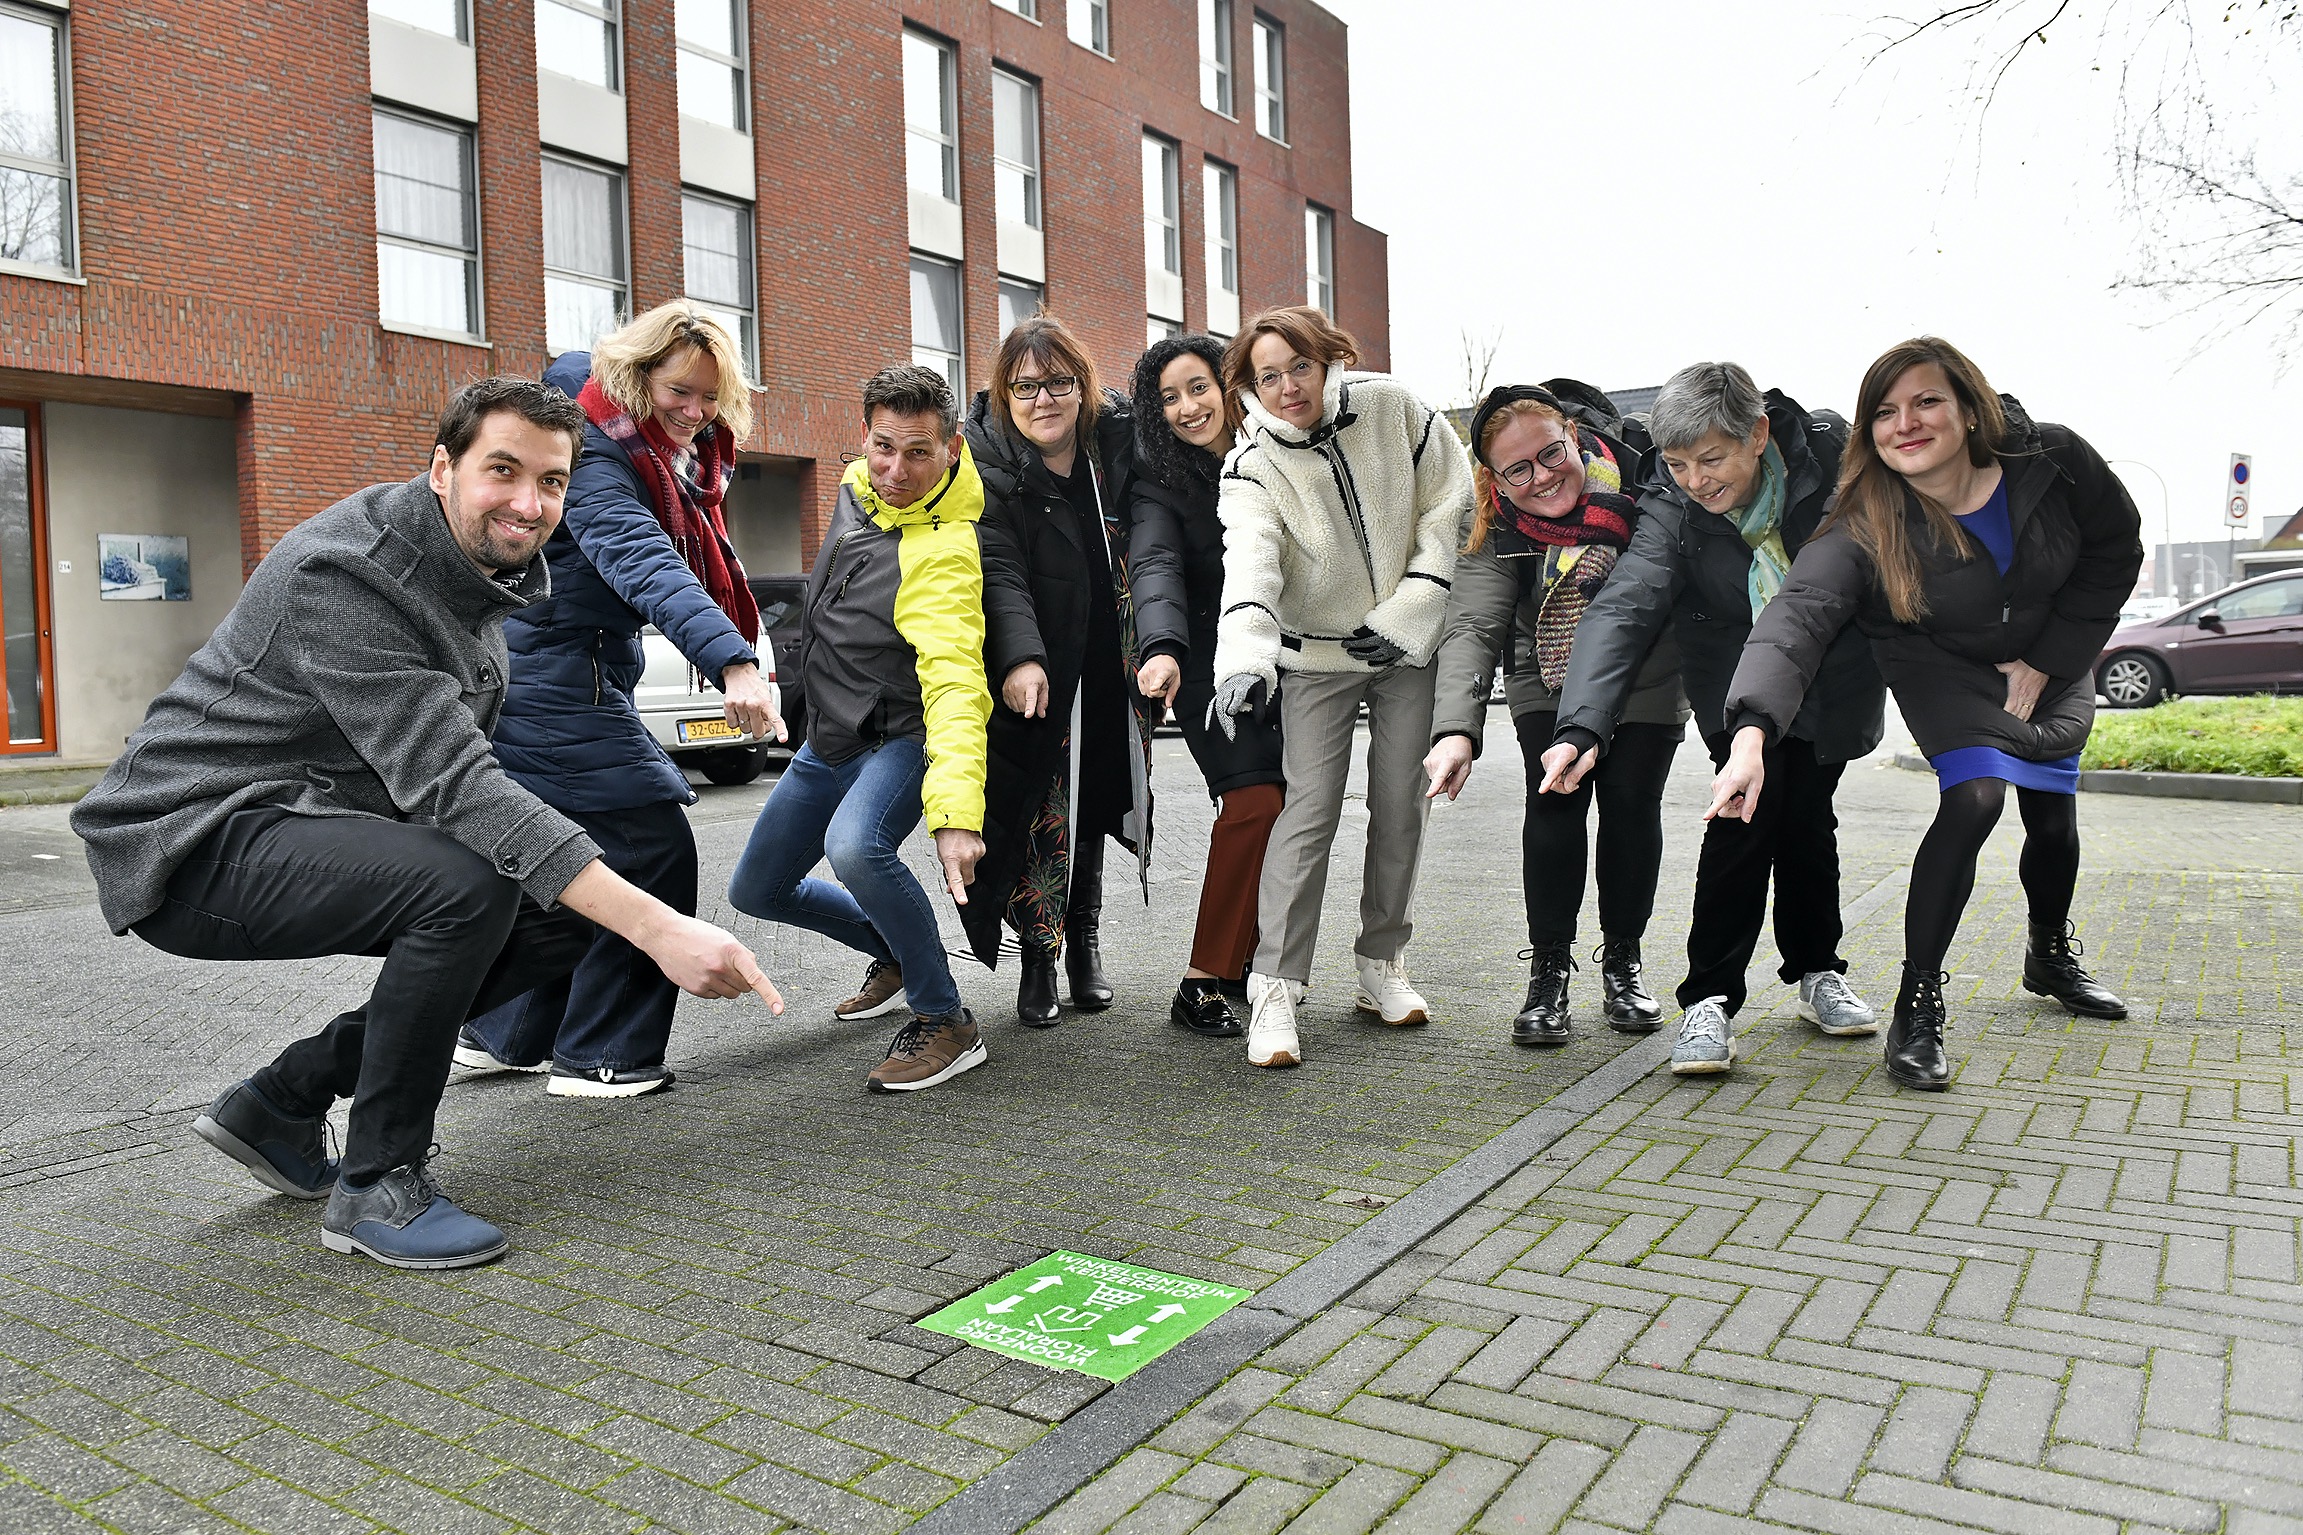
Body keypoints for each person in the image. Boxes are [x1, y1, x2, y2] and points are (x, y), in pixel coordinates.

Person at [70, 378, 782, 1269]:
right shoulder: (350, 573)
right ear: (443, 466)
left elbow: (466, 772)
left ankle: (284, 1098)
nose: (530, 503)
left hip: (294, 818)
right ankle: (376, 1183)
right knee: (465, 885)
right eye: (503, 471)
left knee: (555, 912)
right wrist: (659, 924)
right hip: (191, 842)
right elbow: (455, 783)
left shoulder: (478, 571)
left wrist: (592, 883)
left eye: (552, 482)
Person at [1714, 337, 2141, 1091]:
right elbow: (1796, 617)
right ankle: (1919, 999)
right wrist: (1749, 732)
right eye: (1883, 411)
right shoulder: (1862, 519)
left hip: (2049, 647)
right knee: (1975, 796)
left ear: (1968, 407)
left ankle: (2048, 954)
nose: (1903, 423)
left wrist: (2050, 656)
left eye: (1925, 402)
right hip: (1940, 661)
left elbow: (2115, 545)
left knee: (2050, 812)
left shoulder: (2055, 457)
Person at [454, 304, 781, 1100]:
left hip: (548, 672)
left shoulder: (624, 443)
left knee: (559, 857)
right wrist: (734, 662)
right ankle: (604, 1055)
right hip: (556, 678)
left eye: (710, 397)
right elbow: (638, 558)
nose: (696, 412)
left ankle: (503, 1030)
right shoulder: (598, 453)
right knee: (649, 847)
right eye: (680, 391)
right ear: (636, 374)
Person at [1542, 363, 1885, 1075]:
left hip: (1830, 660)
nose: (1695, 480)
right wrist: (1581, 724)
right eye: (1676, 463)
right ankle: (1709, 1000)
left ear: (1756, 434)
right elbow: (1628, 600)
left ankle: (1816, 970)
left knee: (1806, 814)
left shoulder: (1831, 456)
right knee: (1741, 812)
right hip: (1731, 667)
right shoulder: (1671, 498)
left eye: (1710, 458)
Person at [1210, 305, 1474, 1068]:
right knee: (1309, 812)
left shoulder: (1395, 407)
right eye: (1268, 375)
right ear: (1249, 386)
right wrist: (1244, 656)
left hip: (1404, 646)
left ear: (1329, 358)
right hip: (1316, 658)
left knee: (1400, 805)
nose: (1288, 386)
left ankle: (1379, 963)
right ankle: (1276, 984)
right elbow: (1250, 559)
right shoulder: (1250, 464)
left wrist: (1414, 605)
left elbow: (1446, 503)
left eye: (1300, 365)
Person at [725, 366, 992, 1092]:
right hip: (830, 739)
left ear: (951, 449)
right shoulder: (854, 487)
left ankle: (946, 1018)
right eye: (882, 447)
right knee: (756, 888)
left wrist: (957, 812)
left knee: (855, 847)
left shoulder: (944, 551)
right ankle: (899, 951)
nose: (895, 469)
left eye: (917, 453)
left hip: (900, 738)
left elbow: (958, 685)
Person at [1424, 384, 1687, 1048]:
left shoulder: (1638, 473)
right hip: (1543, 668)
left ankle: (1622, 962)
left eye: (1550, 453)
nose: (1542, 476)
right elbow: (1475, 623)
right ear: (1495, 479)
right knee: (1553, 804)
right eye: (1519, 469)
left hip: (1647, 667)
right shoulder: (1489, 517)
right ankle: (1548, 972)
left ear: (1571, 433)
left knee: (1630, 802)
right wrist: (1455, 728)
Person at [964, 316, 1156, 1027]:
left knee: (1099, 800)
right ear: (1004, 393)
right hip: (1043, 669)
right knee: (1044, 809)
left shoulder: (1116, 447)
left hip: (1115, 663)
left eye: (1057, 382)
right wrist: (1020, 655)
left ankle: (1085, 942)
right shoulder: (990, 465)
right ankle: (1039, 954)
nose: (1043, 399)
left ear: (1082, 385)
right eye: (1025, 386)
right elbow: (999, 569)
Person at [1127, 334, 1286, 1037]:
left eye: (1197, 387)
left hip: (1288, 657)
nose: (1187, 407)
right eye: (1167, 398)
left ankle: (1245, 960)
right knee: (1253, 798)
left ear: (1227, 383)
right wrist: (1159, 649)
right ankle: (1200, 979)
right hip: (1197, 662)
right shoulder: (1157, 479)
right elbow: (1155, 561)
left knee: (1284, 807)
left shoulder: (1281, 449)